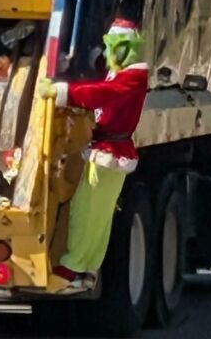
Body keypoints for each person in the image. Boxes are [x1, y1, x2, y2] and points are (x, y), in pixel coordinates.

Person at [38, 18, 149, 292]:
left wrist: (62, 93)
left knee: (86, 212)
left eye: (118, 47)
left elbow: (102, 94)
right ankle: (85, 268)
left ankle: (71, 268)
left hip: (109, 152)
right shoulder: (121, 74)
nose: (113, 53)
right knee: (97, 214)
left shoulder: (131, 77)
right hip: (106, 151)